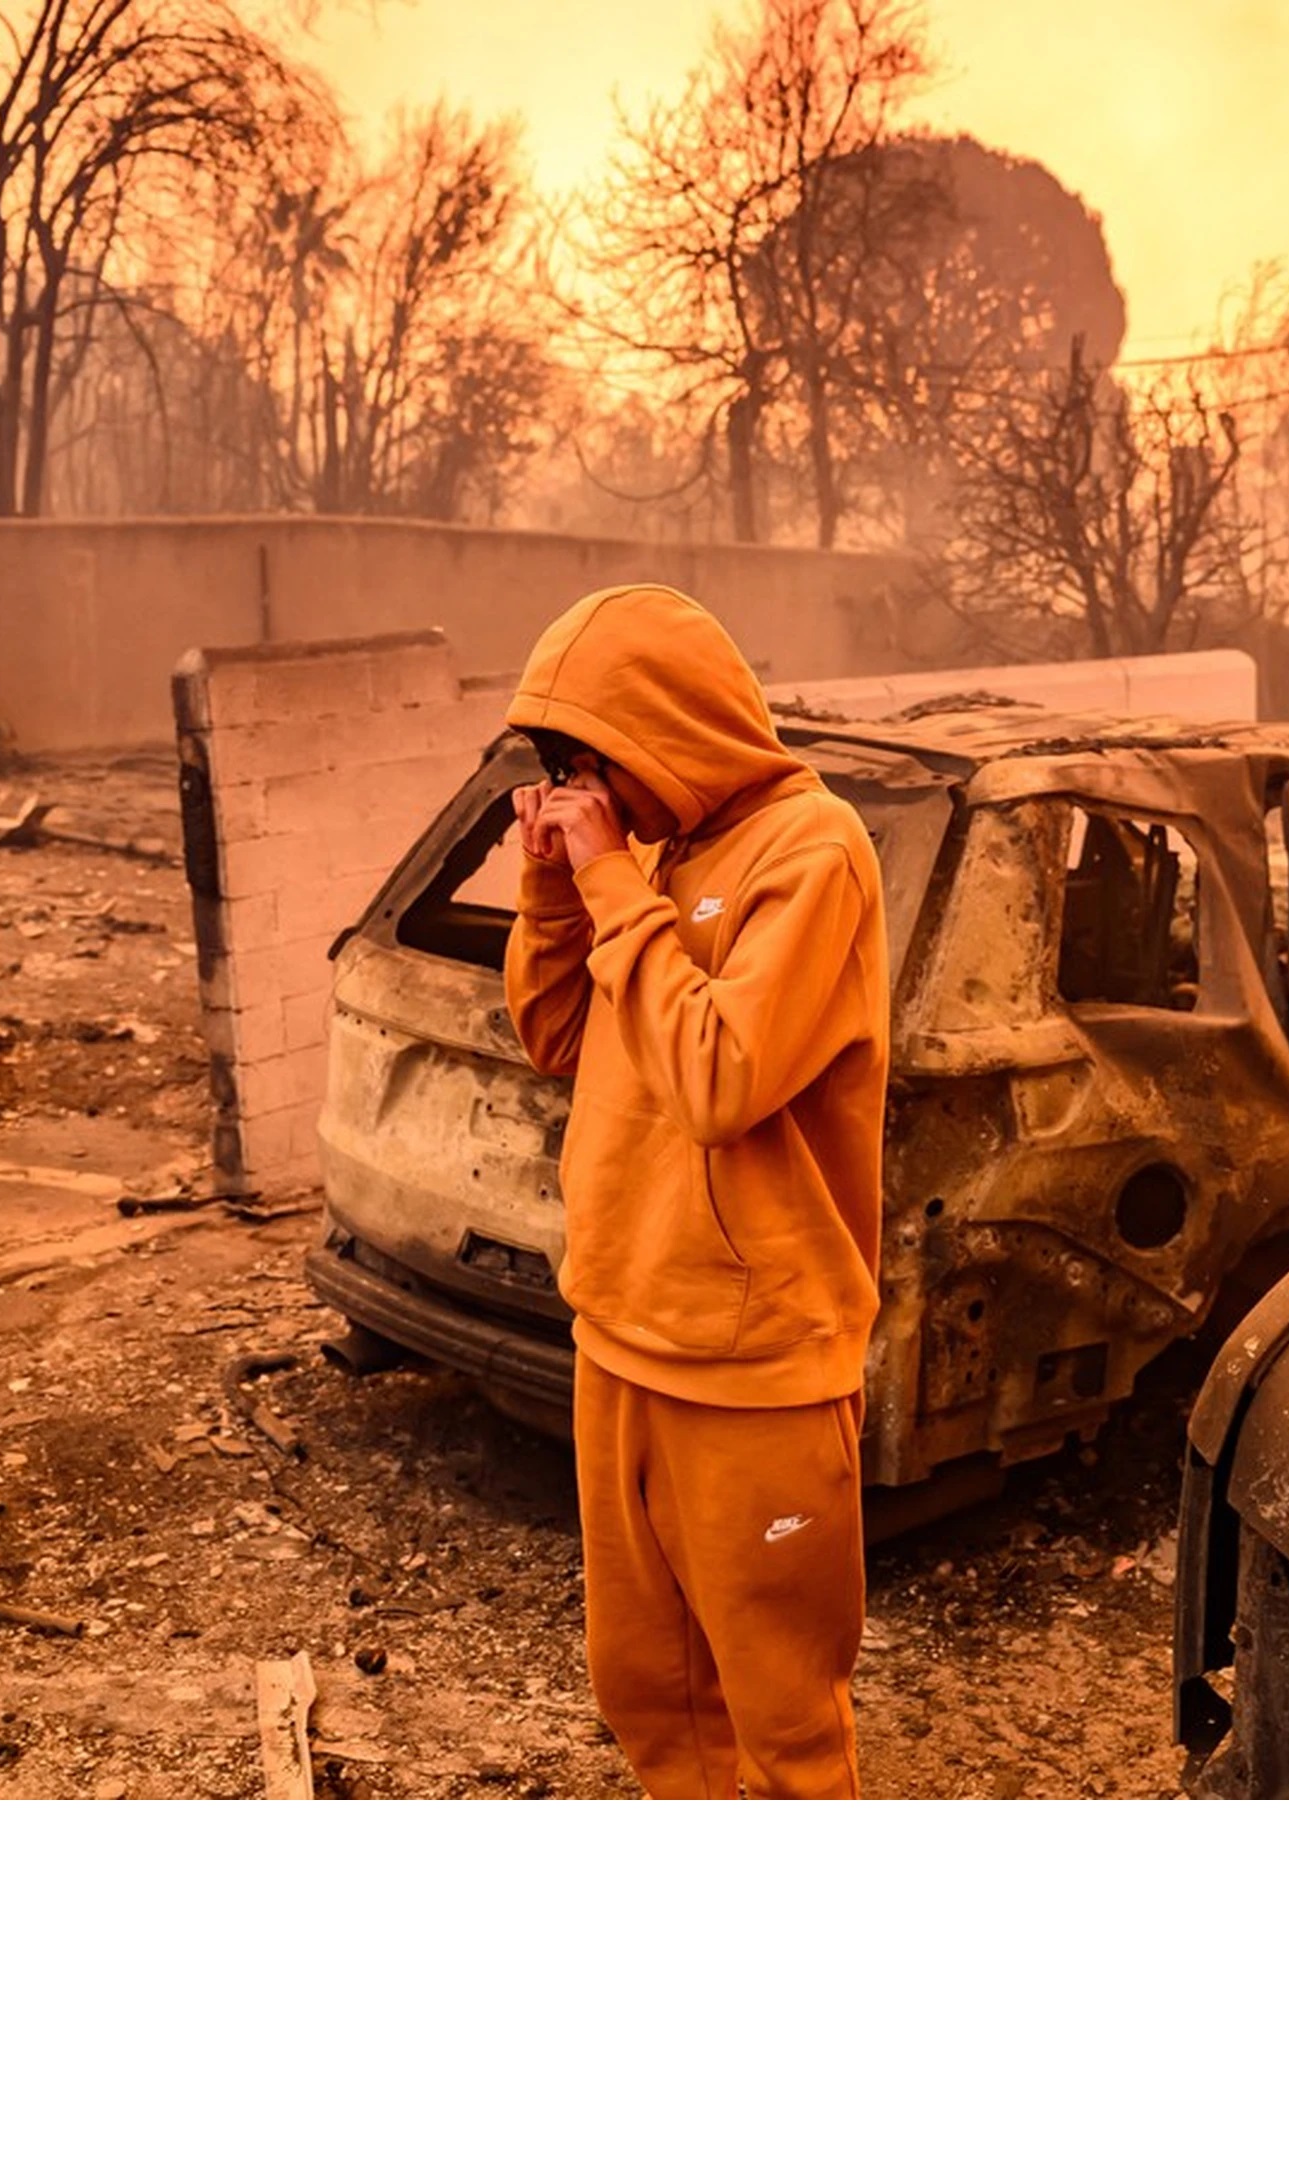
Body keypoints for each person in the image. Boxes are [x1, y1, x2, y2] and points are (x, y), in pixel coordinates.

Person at [503, 584, 888, 1799]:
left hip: (755, 1368)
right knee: (650, 1696)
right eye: (561, 768)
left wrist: (616, 884)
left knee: (779, 1725)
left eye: (592, 761)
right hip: (621, 1337)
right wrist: (556, 889)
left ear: (671, 728)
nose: (584, 790)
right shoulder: (661, 854)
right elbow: (556, 1035)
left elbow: (722, 1079)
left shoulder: (816, 852)